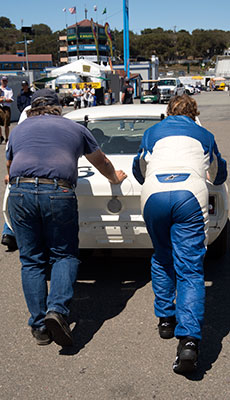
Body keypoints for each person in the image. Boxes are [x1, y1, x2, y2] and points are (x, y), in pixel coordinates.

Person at [6, 89, 127, 347]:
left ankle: (39, 326)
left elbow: (9, 166)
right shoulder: (75, 128)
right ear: (57, 107)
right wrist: (115, 178)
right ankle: (57, 311)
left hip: (19, 190)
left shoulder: (18, 130)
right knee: (64, 254)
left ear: (33, 108)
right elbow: (101, 161)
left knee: (31, 260)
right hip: (57, 191)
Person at [132, 94, 227, 374]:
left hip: (154, 195)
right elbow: (219, 172)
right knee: (190, 269)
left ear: (168, 111)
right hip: (190, 194)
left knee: (162, 257)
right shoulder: (204, 134)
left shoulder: (152, 132)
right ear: (193, 112)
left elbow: (139, 170)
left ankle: (165, 319)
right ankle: (188, 341)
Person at [0, 76, 14, 143]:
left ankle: (7, 138)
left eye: (5, 81)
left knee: (6, 125)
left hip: (6, 108)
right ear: (1, 81)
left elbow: (11, 100)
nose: (4, 82)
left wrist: (4, 99)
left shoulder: (9, 90)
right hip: (0, 107)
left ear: (7, 82)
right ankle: (1, 136)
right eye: (3, 80)